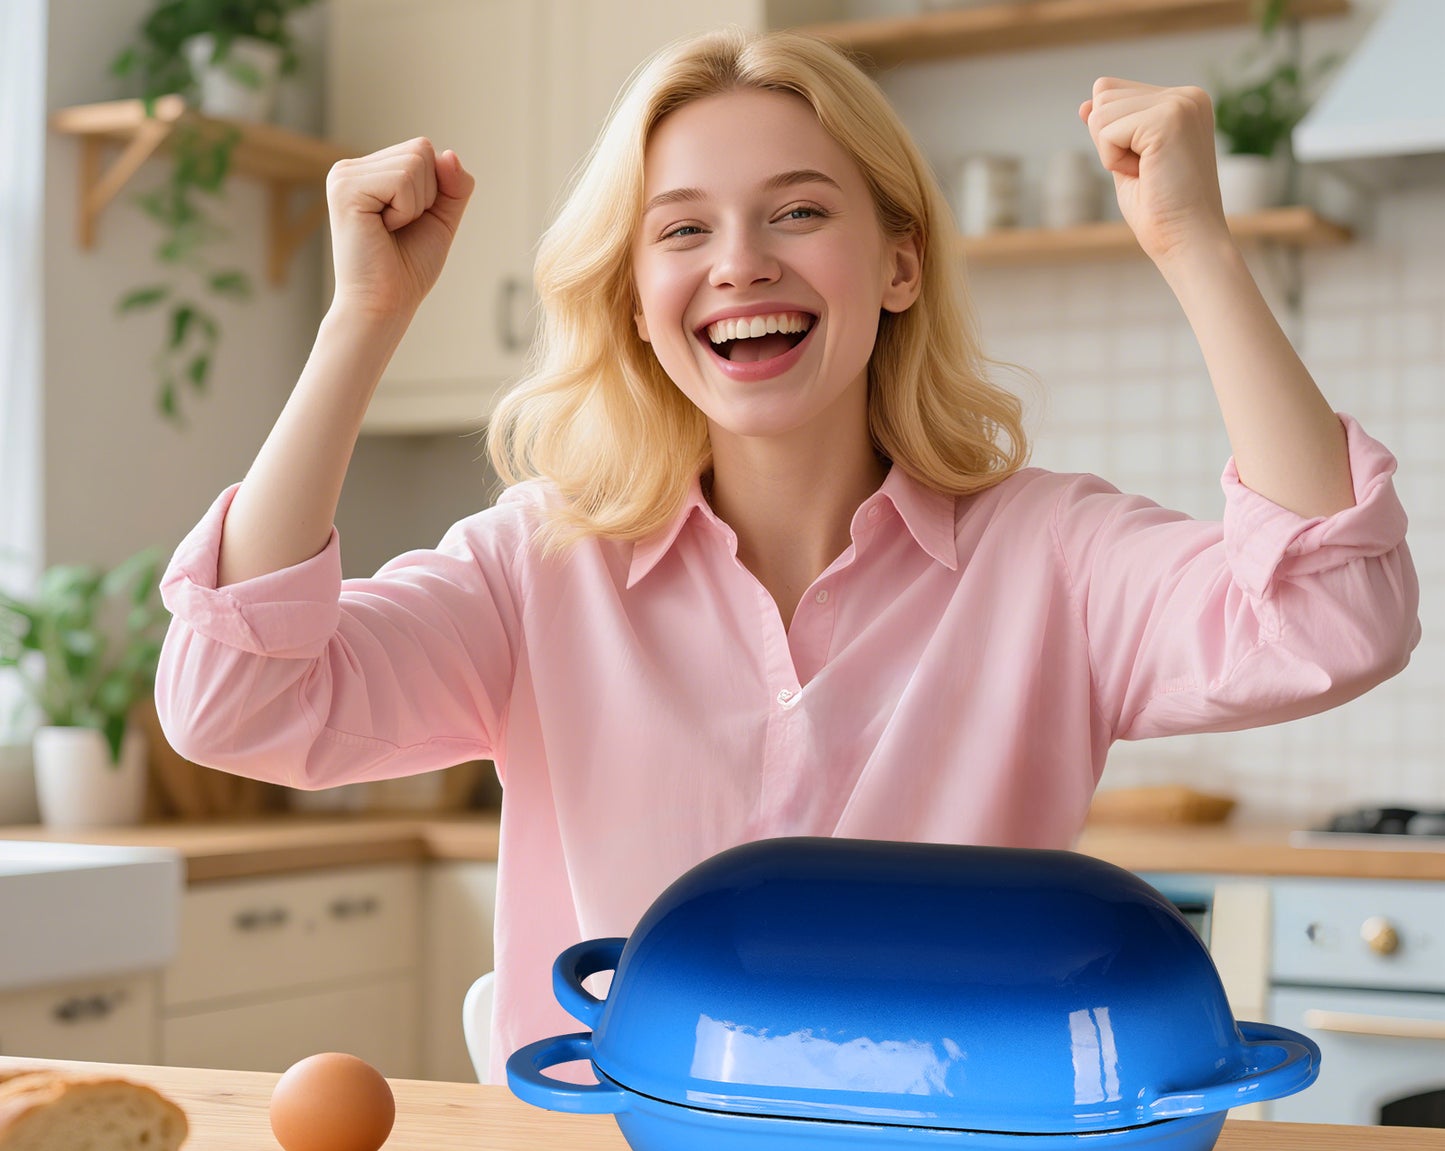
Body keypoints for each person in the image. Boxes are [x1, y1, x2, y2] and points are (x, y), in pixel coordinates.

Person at [154, 28, 1419, 1081]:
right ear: (636, 304)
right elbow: (234, 702)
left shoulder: (1051, 557)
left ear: (899, 261)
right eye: (681, 230)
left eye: (798, 212)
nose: (740, 263)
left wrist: (1193, 244)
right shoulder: (536, 566)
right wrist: (362, 320)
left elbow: (1332, 620)